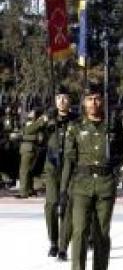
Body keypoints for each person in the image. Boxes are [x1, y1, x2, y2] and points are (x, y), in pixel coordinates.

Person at [60, 82, 123, 270]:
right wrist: (64, 189)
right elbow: (69, 160)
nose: (94, 103)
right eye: (89, 99)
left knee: (101, 237)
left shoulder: (113, 125)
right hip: (81, 186)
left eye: (98, 98)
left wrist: (114, 164)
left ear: (103, 101)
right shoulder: (76, 127)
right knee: (79, 234)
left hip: (105, 186)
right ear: (83, 102)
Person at [42, 86, 77, 260]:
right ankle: (54, 242)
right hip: (52, 167)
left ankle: (63, 247)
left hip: (69, 168)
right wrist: (46, 119)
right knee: (50, 205)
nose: (61, 101)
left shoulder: (76, 121)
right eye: (58, 98)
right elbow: (29, 132)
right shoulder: (49, 119)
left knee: (66, 206)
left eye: (64, 98)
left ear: (70, 100)